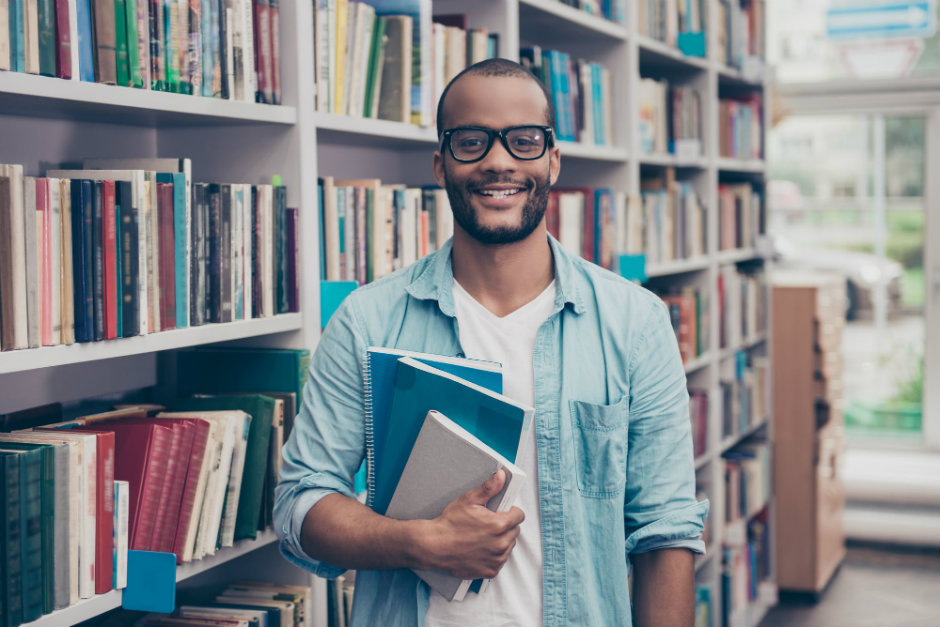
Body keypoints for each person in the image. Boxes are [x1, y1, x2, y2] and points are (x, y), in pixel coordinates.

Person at [275, 58, 708, 627]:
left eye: (524, 141)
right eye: (471, 141)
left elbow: (665, 530)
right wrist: (418, 543)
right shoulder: (367, 320)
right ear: (440, 163)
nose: (498, 161)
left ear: (553, 159)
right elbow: (299, 505)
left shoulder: (636, 323)